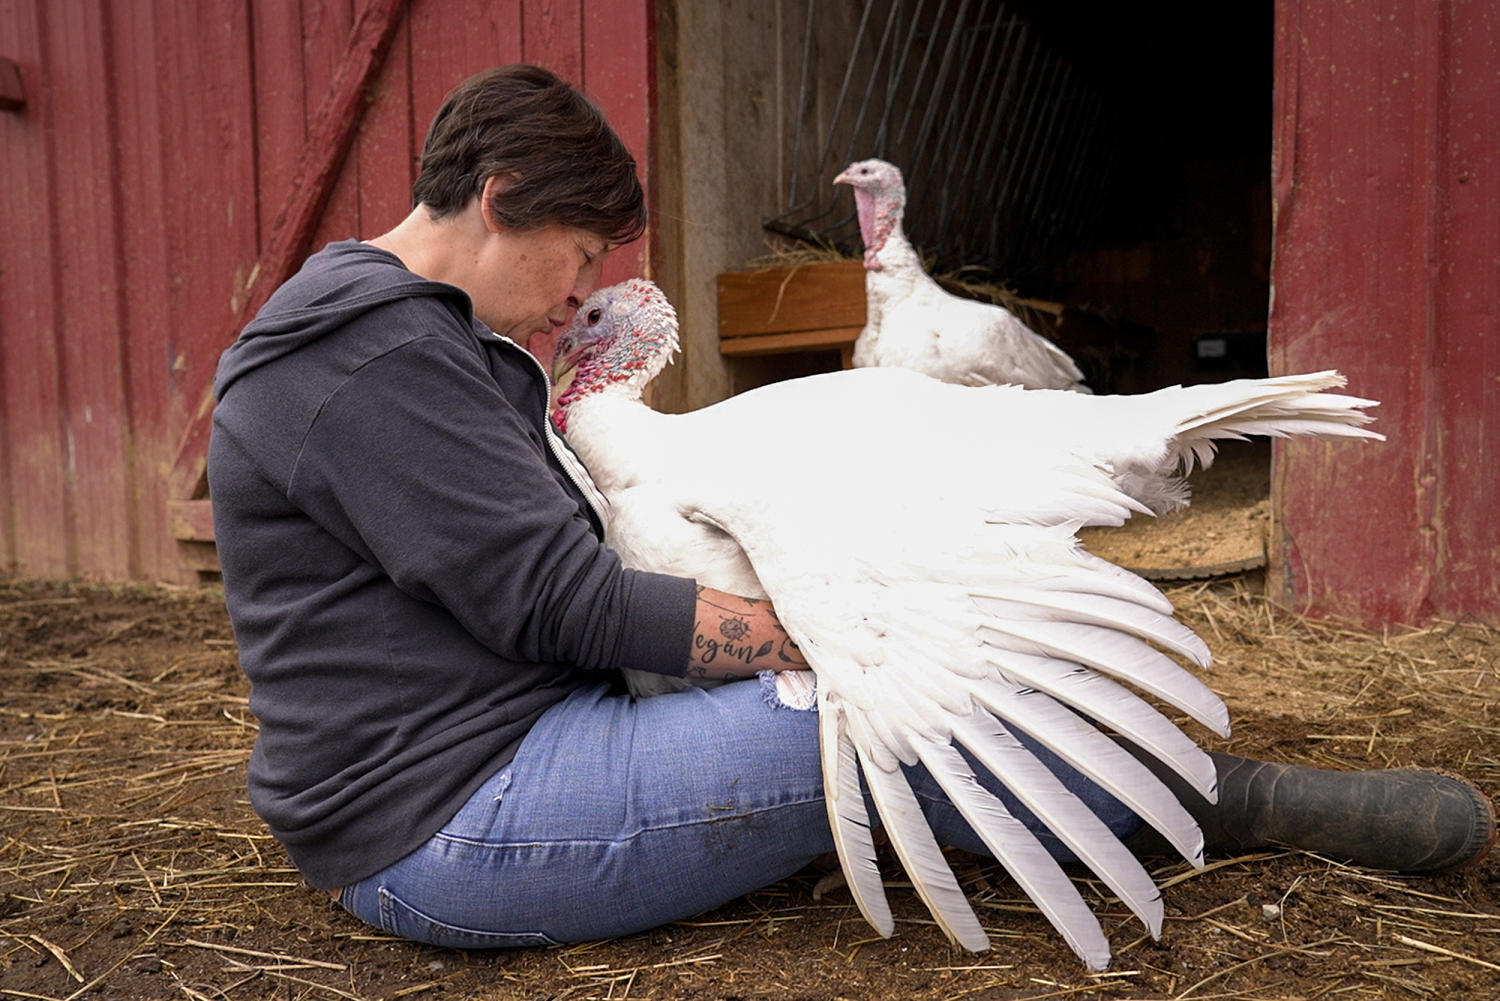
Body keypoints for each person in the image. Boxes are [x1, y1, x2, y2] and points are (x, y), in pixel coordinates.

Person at [208, 64, 1493, 951]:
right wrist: (826, 637)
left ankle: (1190, 790)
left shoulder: (441, 336)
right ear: (498, 206)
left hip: (532, 729)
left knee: (891, 695)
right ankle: (1213, 798)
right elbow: (563, 599)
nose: (581, 291)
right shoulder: (370, 359)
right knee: (871, 710)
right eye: (583, 259)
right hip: (448, 820)